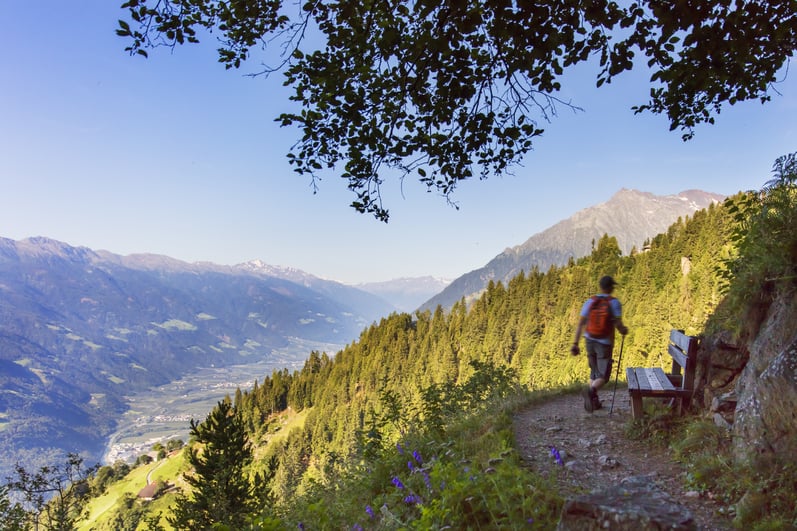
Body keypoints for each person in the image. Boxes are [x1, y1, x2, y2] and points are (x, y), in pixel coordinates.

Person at [571, 275, 628, 412]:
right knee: (603, 376)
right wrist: (623, 330)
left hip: (589, 340)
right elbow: (618, 324)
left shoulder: (590, 301)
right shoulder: (614, 303)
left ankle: (593, 402)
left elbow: (581, 323)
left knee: (594, 372)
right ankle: (591, 391)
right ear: (611, 288)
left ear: (600, 286)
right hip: (604, 343)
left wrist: (575, 343)